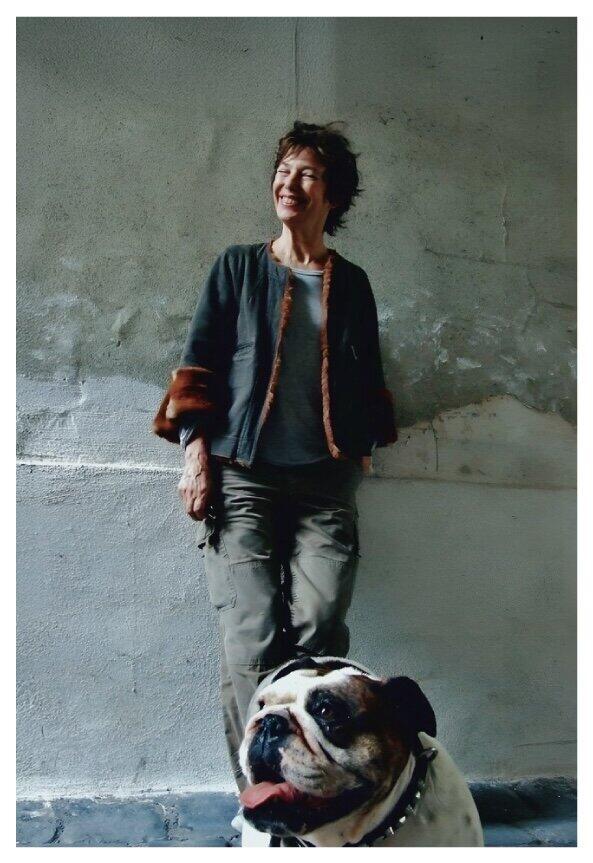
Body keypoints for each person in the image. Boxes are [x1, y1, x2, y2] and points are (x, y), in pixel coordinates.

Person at [153, 121, 397, 794]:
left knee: (320, 626)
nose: (289, 183)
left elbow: (368, 374)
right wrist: (195, 457)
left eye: (307, 173)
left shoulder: (353, 283)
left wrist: (363, 447)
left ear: (332, 195)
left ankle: (308, 775)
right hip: (242, 477)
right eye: (283, 170)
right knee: (252, 638)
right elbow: (198, 365)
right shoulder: (237, 268)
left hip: (325, 482)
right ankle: (262, 797)